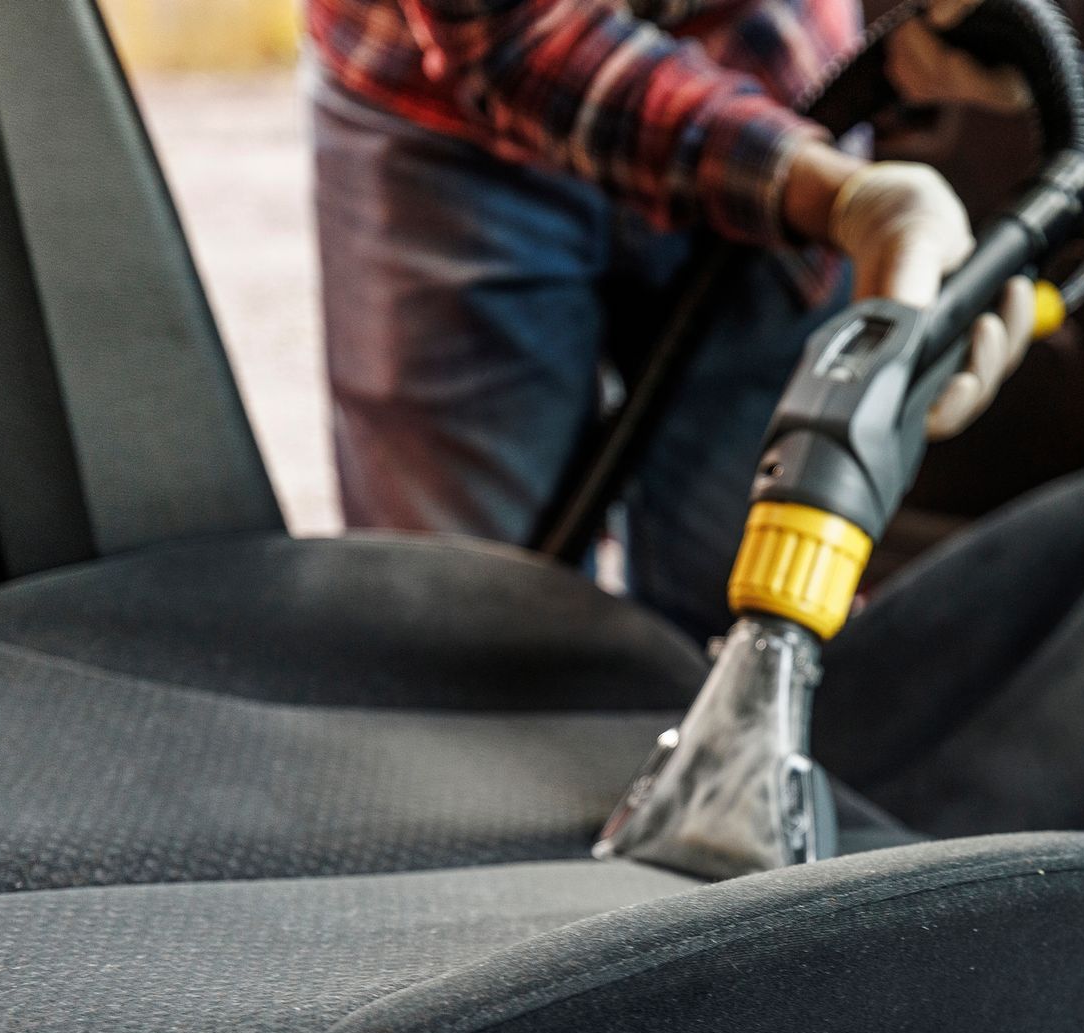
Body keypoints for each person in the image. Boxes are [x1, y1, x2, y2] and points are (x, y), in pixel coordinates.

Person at [307, 0, 1034, 637]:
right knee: (458, 622)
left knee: (748, 603)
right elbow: (518, 39)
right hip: (447, 121)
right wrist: (829, 196)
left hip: (771, 59)